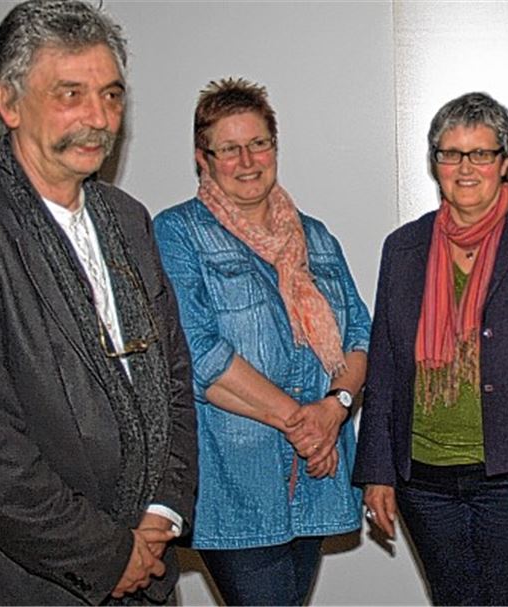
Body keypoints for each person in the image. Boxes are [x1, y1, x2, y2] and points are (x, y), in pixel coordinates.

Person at [0, 0, 197, 603]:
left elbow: (174, 376)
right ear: (8, 103)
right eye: (70, 94)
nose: (99, 118)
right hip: (31, 580)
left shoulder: (128, 219)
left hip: (148, 563)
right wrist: (108, 555)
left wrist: (163, 511)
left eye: (111, 95)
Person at [353, 92, 508, 605]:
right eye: (451, 153)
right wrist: (377, 472)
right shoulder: (403, 248)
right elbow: (385, 369)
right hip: (423, 479)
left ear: (505, 162)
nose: (465, 168)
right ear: (435, 163)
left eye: (481, 153)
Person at [153, 78, 371, 606]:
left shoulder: (316, 237)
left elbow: (360, 335)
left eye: (258, 144)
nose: (248, 161)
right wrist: (304, 425)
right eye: (229, 149)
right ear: (203, 158)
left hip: (316, 477)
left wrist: (334, 409)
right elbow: (199, 355)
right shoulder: (177, 233)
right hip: (236, 484)